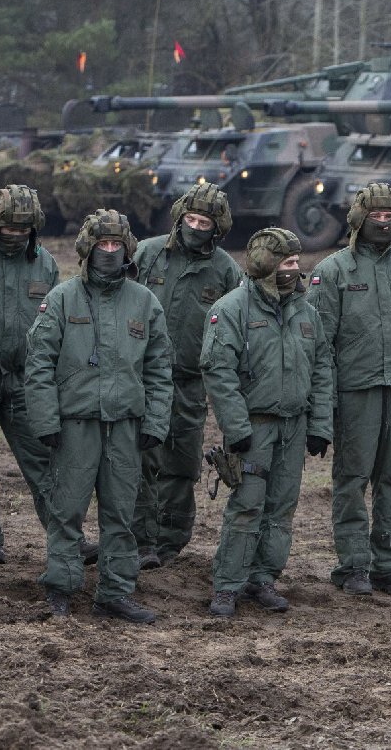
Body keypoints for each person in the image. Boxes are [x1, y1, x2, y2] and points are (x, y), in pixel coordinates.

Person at [25, 210, 172, 622]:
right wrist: (45, 422)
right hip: (74, 425)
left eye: (116, 246)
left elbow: (161, 369)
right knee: (66, 511)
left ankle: (115, 592)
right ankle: (60, 590)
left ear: (127, 250)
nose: (109, 253)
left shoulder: (144, 302)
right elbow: (38, 364)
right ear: (87, 249)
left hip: (125, 426)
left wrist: (156, 423)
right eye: (102, 245)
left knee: (121, 514)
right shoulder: (61, 298)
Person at [308, 183, 391, 598]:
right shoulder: (333, 271)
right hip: (355, 392)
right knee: (351, 480)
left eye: (388, 217)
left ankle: (389, 565)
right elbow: (318, 345)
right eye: (374, 217)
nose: (381, 223)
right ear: (357, 221)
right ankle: (353, 566)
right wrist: (322, 409)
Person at [202, 228, 333, 617]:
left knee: (281, 507)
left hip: (294, 426)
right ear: (266, 265)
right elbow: (217, 372)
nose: (296, 269)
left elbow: (322, 369)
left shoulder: (306, 312)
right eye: (288, 262)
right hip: (254, 429)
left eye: (296, 262)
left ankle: (263, 578)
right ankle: (227, 586)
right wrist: (237, 428)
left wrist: (320, 426)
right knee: (247, 505)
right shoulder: (229, 310)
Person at [132, 183, 242, 569]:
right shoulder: (147, 253)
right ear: (179, 219)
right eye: (191, 219)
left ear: (218, 227)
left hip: (192, 382)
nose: (196, 227)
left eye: (205, 222)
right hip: (143, 377)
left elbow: (237, 327)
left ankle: (170, 540)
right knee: (142, 458)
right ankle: (139, 539)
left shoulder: (227, 269)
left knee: (181, 462)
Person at [0, 185, 60, 567]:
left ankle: (64, 535)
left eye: (24, 232)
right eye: (8, 230)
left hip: (26, 380)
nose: (16, 237)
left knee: (44, 461)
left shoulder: (46, 264)